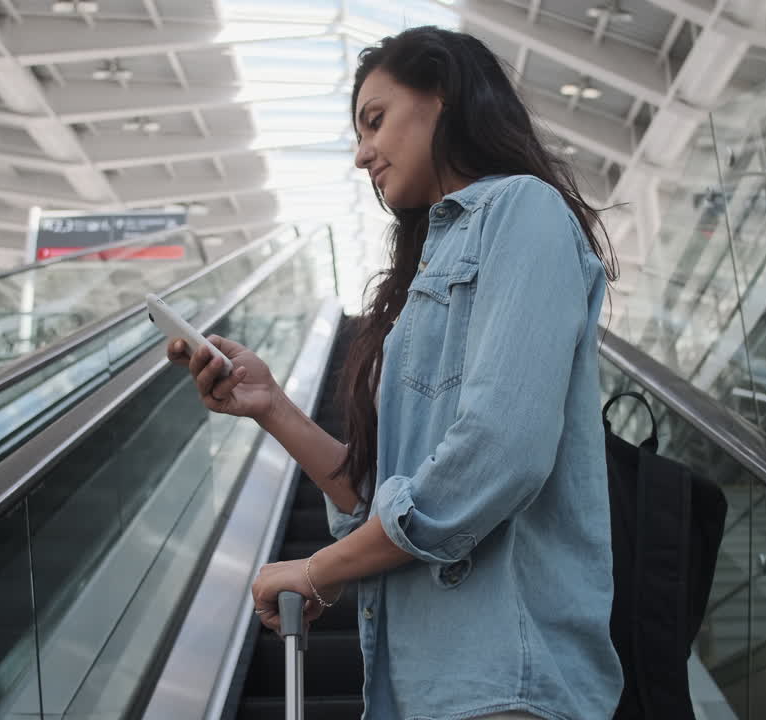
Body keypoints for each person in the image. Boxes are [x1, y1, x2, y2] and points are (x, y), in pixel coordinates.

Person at [167, 25, 622, 720]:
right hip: (419, 688)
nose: (360, 154)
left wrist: (318, 570)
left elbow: (501, 451)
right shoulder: (418, 289)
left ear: (441, 94)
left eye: (374, 121)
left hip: (506, 679)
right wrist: (270, 405)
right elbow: (375, 500)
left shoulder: (522, 211)